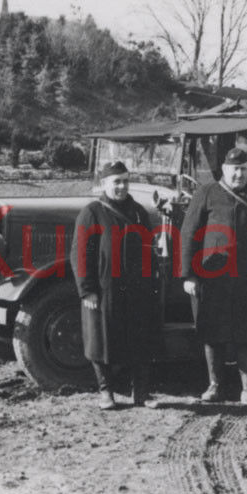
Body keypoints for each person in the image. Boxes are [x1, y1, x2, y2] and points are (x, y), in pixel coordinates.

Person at [179, 146, 247, 406]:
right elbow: (189, 234)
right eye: (234, 169)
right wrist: (188, 275)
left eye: (244, 169)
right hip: (214, 279)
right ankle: (215, 386)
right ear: (224, 170)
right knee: (213, 333)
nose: (239, 174)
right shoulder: (207, 193)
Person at [70, 160, 159, 410]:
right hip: (105, 289)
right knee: (101, 340)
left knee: (139, 340)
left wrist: (152, 284)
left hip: (137, 289)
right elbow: (80, 254)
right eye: (116, 182)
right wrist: (87, 290)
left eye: (125, 181)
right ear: (104, 184)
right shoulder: (92, 213)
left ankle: (141, 394)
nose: (121, 187)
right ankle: (106, 392)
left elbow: (148, 250)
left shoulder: (140, 212)